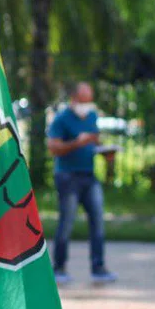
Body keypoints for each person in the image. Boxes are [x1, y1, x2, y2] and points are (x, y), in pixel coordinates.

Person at [47, 82, 117, 284]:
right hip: (67, 177)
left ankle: (99, 267)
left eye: (89, 101)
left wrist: (106, 153)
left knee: (97, 222)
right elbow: (53, 148)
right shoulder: (61, 119)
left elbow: (95, 142)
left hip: (89, 175)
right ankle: (58, 268)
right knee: (66, 223)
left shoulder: (92, 117)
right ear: (74, 99)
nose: (87, 105)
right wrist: (76, 143)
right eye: (83, 101)